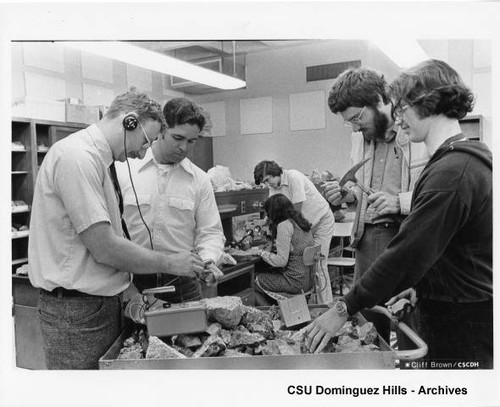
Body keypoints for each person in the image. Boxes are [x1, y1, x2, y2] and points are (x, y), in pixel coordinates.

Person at [305, 60, 493, 369]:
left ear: (426, 103)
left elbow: (410, 251)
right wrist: (420, 286)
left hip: (463, 322)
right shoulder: (454, 162)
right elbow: (448, 248)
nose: (400, 119)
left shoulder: (453, 172)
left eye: (402, 109)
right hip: (453, 306)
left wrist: (343, 307)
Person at [28, 90, 206, 369]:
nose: (141, 152)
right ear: (129, 122)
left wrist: (130, 290)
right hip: (78, 313)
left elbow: (110, 237)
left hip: (97, 306)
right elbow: (104, 247)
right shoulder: (77, 157)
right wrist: (172, 262)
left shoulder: (100, 161)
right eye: (145, 141)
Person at [323, 67, 430, 344]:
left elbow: (434, 194)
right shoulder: (359, 137)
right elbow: (357, 186)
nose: (356, 127)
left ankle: (409, 376)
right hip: (366, 238)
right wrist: (346, 195)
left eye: (358, 117)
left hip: (405, 239)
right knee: (368, 325)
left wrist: (398, 202)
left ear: (381, 100)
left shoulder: (415, 132)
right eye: (350, 122)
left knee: (408, 322)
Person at [116, 97, 225, 302]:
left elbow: (210, 232)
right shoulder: (124, 170)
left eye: (191, 141)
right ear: (161, 130)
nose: (184, 147)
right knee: (133, 335)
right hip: (130, 281)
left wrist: (208, 261)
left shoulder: (199, 180)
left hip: (182, 282)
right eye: (178, 137)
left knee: (190, 335)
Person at [254, 160, 335, 303]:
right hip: (305, 225)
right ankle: (307, 306)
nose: (268, 184)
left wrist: (285, 239)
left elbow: (296, 212)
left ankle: (326, 306)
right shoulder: (274, 187)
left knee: (319, 267)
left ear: (275, 172)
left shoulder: (294, 177)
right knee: (304, 265)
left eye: (268, 180)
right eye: (264, 182)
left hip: (321, 220)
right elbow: (275, 214)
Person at [254, 194, 315, 305]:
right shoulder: (301, 222)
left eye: (268, 213)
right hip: (307, 280)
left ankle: (272, 314)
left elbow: (281, 261)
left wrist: (260, 252)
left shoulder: (284, 225)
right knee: (269, 272)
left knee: (254, 280)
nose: (268, 217)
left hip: (294, 282)